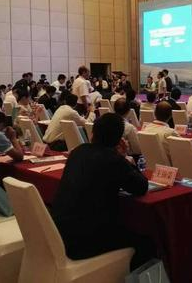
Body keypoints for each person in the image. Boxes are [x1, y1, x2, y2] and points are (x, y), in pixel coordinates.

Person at [51, 113, 153, 270]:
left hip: (58, 232)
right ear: (119, 140)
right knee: (148, 242)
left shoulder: (78, 151)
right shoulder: (113, 160)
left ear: (92, 133)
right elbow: (141, 187)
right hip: (85, 240)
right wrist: (124, 156)